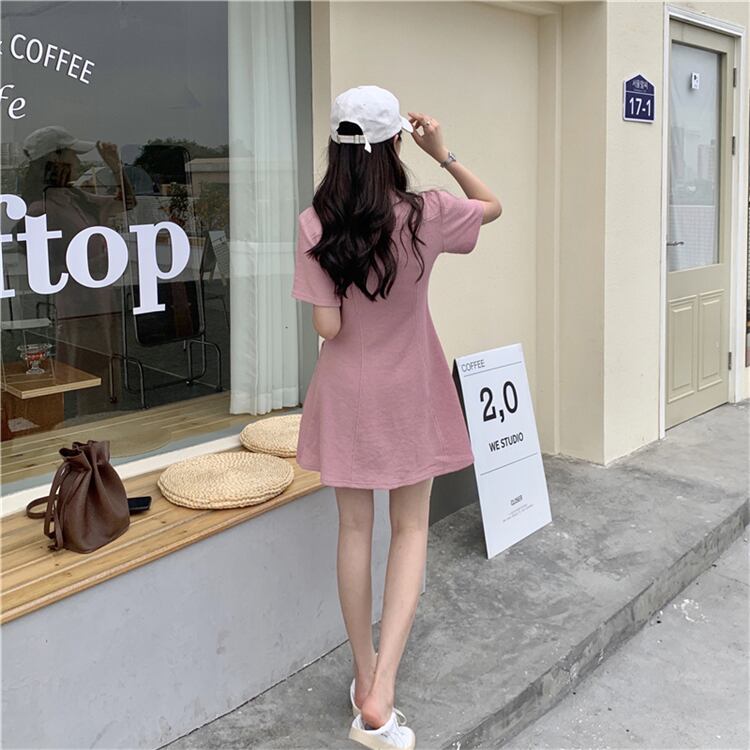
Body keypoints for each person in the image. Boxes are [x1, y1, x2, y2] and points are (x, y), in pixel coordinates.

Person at [290, 85, 502, 749]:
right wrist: (445, 152)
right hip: (412, 389)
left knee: (354, 530)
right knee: (410, 530)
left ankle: (363, 675)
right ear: (393, 146)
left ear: (335, 147)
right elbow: (492, 206)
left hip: (347, 394)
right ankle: (384, 688)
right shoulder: (426, 213)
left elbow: (328, 326)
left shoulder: (314, 224)